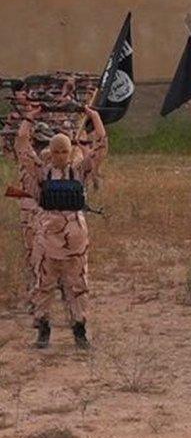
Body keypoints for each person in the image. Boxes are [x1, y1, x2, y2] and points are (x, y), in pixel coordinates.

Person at [15, 105, 107, 349]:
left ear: (70, 152)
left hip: (75, 242)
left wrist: (94, 116)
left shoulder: (78, 173)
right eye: (55, 151)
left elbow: (100, 147)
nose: (59, 155)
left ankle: (79, 330)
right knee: (43, 286)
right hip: (47, 242)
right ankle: (43, 330)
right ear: (49, 152)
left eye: (64, 151)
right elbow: (22, 147)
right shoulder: (42, 174)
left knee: (78, 287)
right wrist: (29, 117)